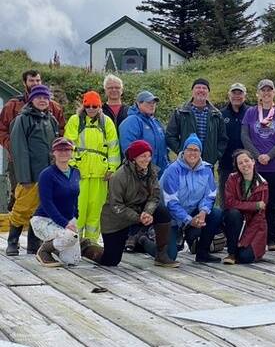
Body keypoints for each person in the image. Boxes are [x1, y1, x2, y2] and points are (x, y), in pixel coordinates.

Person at [81, 140, 179, 267]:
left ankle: (161, 254)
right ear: (134, 157)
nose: (147, 159)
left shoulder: (151, 171)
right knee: (110, 260)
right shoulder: (119, 176)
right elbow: (116, 206)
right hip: (116, 220)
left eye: (149, 156)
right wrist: (139, 217)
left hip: (139, 212)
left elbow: (154, 196)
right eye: (143, 156)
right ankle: (86, 246)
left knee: (162, 212)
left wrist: (147, 213)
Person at [6, 85, 60, 256]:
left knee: (40, 211)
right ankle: (13, 242)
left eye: (45, 98)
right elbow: (19, 149)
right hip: (29, 175)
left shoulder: (51, 120)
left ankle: (33, 244)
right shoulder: (22, 119)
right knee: (21, 208)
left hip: (47, 175)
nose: (43, 100)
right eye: (39, 98)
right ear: (31, 100)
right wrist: (24, 177)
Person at [0, 70, 65, 211]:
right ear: (25, 83)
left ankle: (38, 229)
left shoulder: (53, 107)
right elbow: (2, 129)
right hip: (18, 161)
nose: (35, 83)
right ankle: (17, 230)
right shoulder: (13, 105)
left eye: (38, 80)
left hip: (46, 161)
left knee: (47, 197)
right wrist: (12, 146)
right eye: (31, 81)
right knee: (20, 196)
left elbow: (61, 130)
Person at [64, 91, 120, 242]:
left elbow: (114, 147)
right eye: (87, 105)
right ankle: (74, 241)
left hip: (100, 175)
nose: (90, 109)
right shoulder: (75, 120)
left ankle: (91, 242)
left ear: (99, 106)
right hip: (79, 174)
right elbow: (68, 145)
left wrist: (112, 168)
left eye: (94, 106)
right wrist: (72, 167)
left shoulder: (106, 122)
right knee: (78, 210)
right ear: (83, 105)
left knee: (96, 210)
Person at [241, 79, 275, 251]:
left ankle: (271, 238)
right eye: (263, 90)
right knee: (254, 201)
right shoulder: (250, 113)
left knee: (273, 202)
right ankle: (254, 235)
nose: (266, 93)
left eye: (270, 90)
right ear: (258, 94)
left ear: (274, 93)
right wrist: (256, 156)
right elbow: (245, 137)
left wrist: (269, 156)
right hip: (255, 166)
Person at [159, 133, 223, 263]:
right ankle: (145, 240)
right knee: (170, 256)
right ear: (184, 150)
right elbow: (170, 202)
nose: (192, 153)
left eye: (196, 150)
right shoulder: (173, 170)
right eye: (189, 149)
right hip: (171, 217)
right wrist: (188, 220)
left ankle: (202, 252)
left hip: (193, 213)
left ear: (200, 152)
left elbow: (210, 195)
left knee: (216, 213)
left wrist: (203, 212)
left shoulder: (206, 169)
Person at [30, 137, 81, 267]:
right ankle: (44, 250)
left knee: (72, 261)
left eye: (67, 149)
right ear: (54, 153)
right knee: (70, 237)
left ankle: (57, 248)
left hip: (66, 220)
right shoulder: (47, 174)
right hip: (44, 219)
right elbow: (47, 203)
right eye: (60, 150)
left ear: (72, 152)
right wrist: (65, 223)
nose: (64, 152)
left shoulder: (76, 172)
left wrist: (74, 218)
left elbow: (75, 197)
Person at [166, 78, 228, 167]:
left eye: (204, 88)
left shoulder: (217, 114)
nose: (201, 90)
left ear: (208, 92)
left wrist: (216, 155)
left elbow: (223, 139)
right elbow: (170, 135)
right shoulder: (180, 112)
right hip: (185, 162)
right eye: (198, 87)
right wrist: (182, 151)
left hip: (208, 163)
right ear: (192, 91)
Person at [223, 149, 269, 264]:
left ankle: (247, 247)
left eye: (246, 161)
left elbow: (259, 217)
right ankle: (231, 252)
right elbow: (230, 202)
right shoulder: (232, 179)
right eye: (240, 163)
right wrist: (254, 205)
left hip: (254, 226)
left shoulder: (263, 184)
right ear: (237, 166)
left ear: (253, 161)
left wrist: (244, 241)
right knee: (233, 213)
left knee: (245, 258)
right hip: (236, 221)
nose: (244, 164)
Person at [118, 90, 169, 175]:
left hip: (160, 174)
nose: (152, 105)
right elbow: (128, 150)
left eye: (154, 103)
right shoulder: (132, 121)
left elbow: (165, 149)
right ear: (138, 103)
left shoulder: (156, 122)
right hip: (141, 174)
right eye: (148, 102)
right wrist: (142, 170)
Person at [219, 83, 248, 208]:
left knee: (246, 202)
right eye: (234, 93)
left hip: (246, 166)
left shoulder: (251, 113)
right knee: (226, 203)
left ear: (245, 96)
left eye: (240, 93)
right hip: (226, 165)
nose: (237, 96)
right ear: (229, 95)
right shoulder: (220, 114)